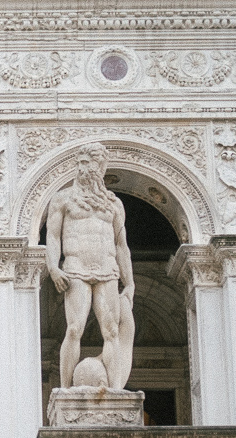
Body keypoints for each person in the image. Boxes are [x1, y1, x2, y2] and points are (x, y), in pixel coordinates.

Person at [45, 142, 137, 391]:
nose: (81, 169)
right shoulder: (63, 199)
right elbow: (53, 237)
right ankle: (65, 390)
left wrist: (129, 283)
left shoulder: (114, 203)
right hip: (76, 269)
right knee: (74, 329)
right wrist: (53, 267)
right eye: (79, 163)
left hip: (108, 270)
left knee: (111, 332)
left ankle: (116, 389)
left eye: (87, 163)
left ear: (100, 167)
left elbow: (121, 245)